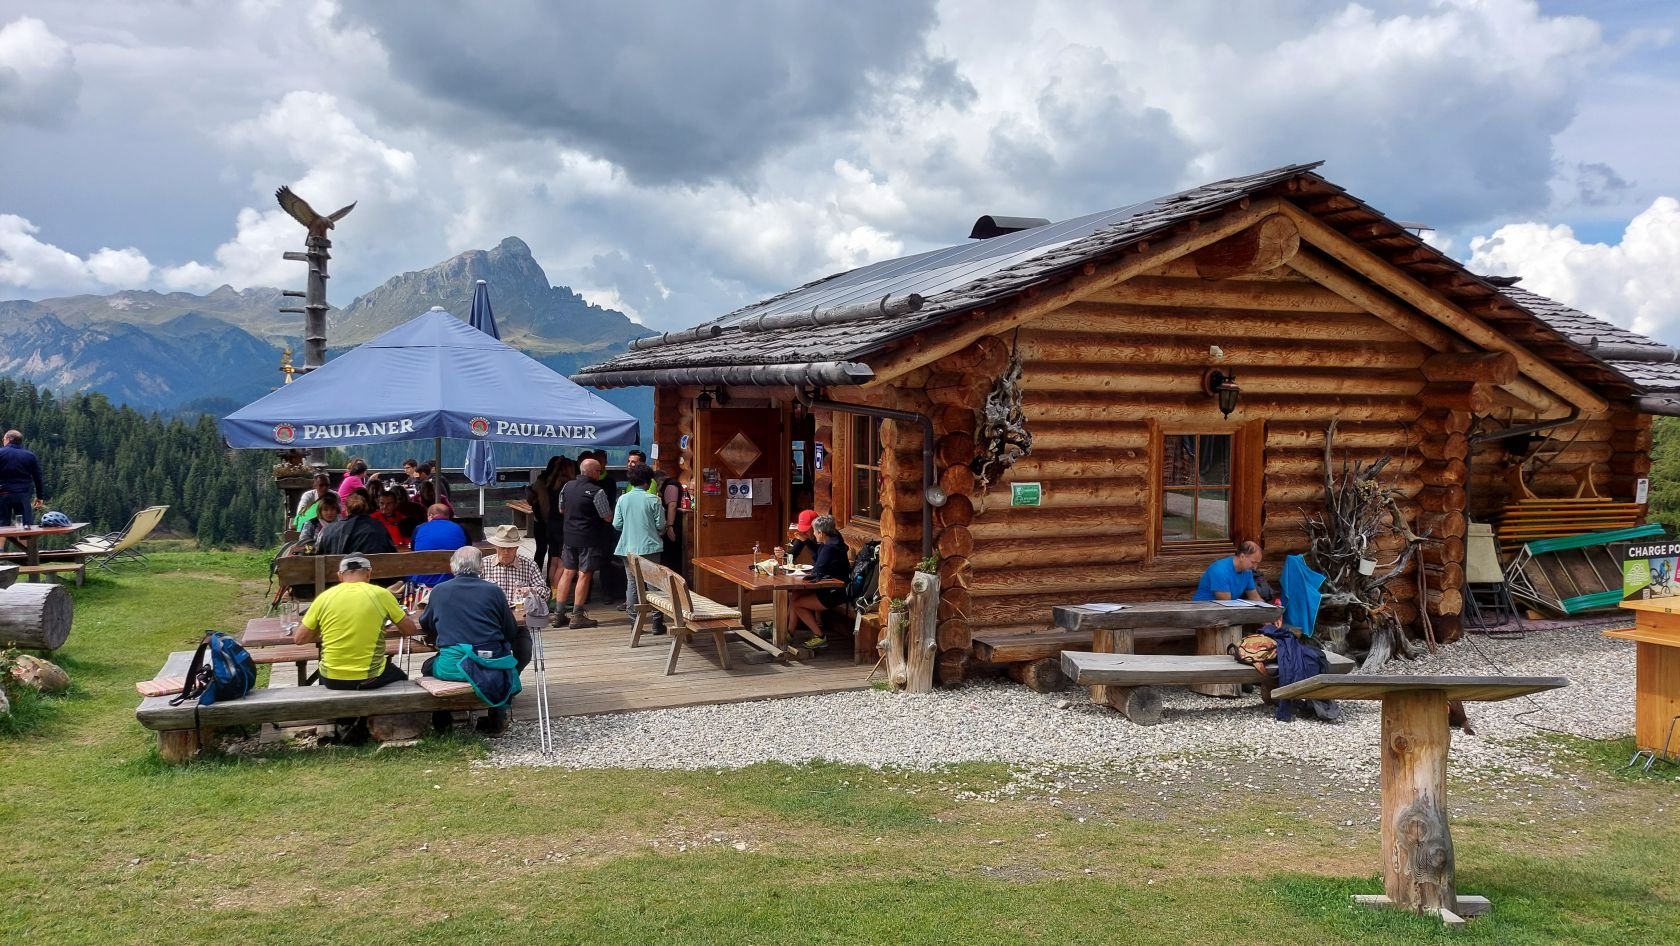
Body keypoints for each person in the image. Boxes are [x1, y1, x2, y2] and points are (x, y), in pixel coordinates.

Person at [419, 547, 526, 735]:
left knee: (428, 667)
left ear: (453, 566)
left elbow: (426, 623)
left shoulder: (439, 590)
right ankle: (496, 720)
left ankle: (442, 721)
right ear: (480, 567)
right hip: (491, 664)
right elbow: (510, 630)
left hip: (453, 667)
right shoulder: (494, 591)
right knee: (498, 660)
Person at [293, 554, 417, 689]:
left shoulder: (324, 597)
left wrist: (326, 632)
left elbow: (299, 639)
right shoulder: (381, 594)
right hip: (370, 677)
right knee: (402, 679)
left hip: (330, 678)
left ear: (340, 575)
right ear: (369, 573)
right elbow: (410, 630)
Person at [555, 457, 613, 628]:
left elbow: (561, 509)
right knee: (584, 574)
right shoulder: (597, 491)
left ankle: (558, 614)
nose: (600, 474)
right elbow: (607, 517)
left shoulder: (567, 486)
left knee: (567, 573)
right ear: (594, 472)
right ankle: (577, 615)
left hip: (569, 536)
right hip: (589, 538)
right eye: (599, 471)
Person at [477, 524, 544, 661]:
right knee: (487, 653)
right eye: (503, 548)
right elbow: (472, 591)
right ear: (496, 547)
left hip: (518, 624)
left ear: (517, 548)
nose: (506, 552)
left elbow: (545, 592)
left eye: (510, 548)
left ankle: (512, 673)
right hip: (490, 622)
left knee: (525, 653)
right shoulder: (483, 564)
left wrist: (532, 590)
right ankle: (500, 673)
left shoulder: (529, 565)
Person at [614, 466, 667, 636]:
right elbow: (661, 525)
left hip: (628, 547)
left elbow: (617, 524)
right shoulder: (654, 500)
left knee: (632, 585)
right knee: (655, 585)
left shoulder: (622, 499)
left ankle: (634, 623)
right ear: (648, 481)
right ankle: (657, 623)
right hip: (650, 546)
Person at [787, 515, 850, 648]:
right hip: (832, 586)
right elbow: (819, 557)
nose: (814, 534)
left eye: (815, 531)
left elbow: (817, 570)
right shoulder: (831, 541)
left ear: (821, 533)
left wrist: (800, 575)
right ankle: (789, 632)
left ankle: (819, 636)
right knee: (795, 595)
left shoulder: (829, 547)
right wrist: (806, 541)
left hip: (834, 592)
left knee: (797, 604)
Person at [315, 491, 397, 557]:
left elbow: (319, 555)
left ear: (346, 510)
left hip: (339, 571)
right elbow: (392, 554)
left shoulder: (328, 530)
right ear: (366, 508)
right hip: (374, 571)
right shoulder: (378, 526)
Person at [410, 503, 469, 587]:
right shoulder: (460, 528)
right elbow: (468, 550)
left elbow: (413, 549)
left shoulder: (419, 528)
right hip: (453, 579)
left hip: (423, 581)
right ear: (448, 515)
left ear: (430, 515)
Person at [1193, 540, 1267, 602]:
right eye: (1253, 562)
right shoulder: (1220, 570)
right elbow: (1226, 602)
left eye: (1257, 563)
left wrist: (1268, 609)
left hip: (1225, 609)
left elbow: (1254, 597)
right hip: (1204, 608)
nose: (1255, 568)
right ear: (1242, 557)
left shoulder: (1247, 571)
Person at [0, 429, 47, 527]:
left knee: (2, 526)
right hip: (22, 495)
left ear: (8, 439)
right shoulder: (30, 456)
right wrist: (40, 496)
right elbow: (37, 478)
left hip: (2, 494)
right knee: (26, 526)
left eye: (3, 439)